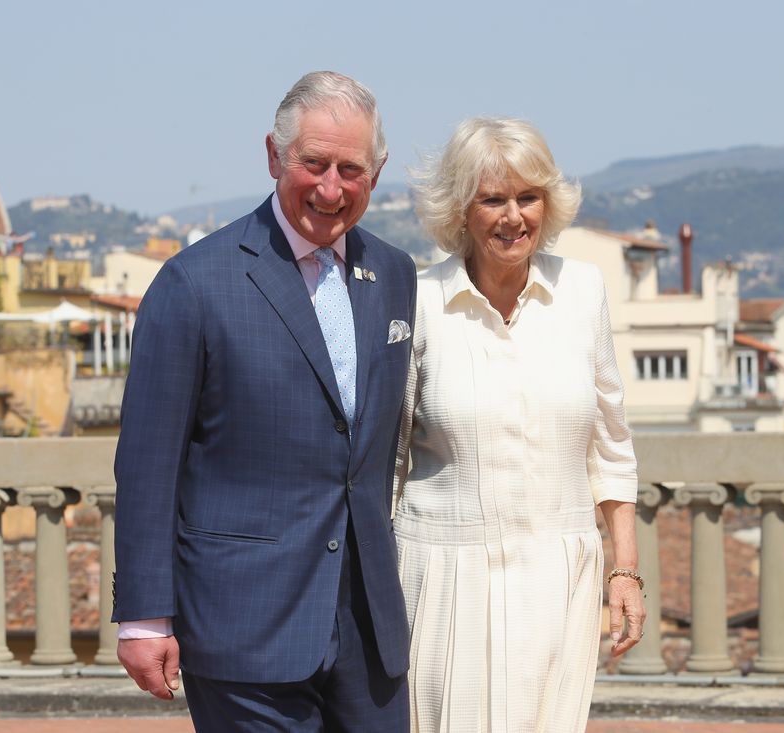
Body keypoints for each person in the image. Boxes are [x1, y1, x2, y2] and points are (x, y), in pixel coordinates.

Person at [111, 71, 417, 732]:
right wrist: (142, 615)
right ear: (275, 155)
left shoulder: (395, 274)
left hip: (369, 629)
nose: (331, 188)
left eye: (351, 169)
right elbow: (146, 464)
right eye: (313, 163)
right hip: (243, 624)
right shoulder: (193, 283)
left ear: (378, 169)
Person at [394, 117, 645, 732]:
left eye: (528, 197)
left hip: (559, 577)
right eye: (493, 199)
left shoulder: (583, 291)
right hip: (444, 576)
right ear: (460, 209)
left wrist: (625, 570)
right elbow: (387, 458)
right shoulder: (418, 300)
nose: (514, 217)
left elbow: (611, 445)